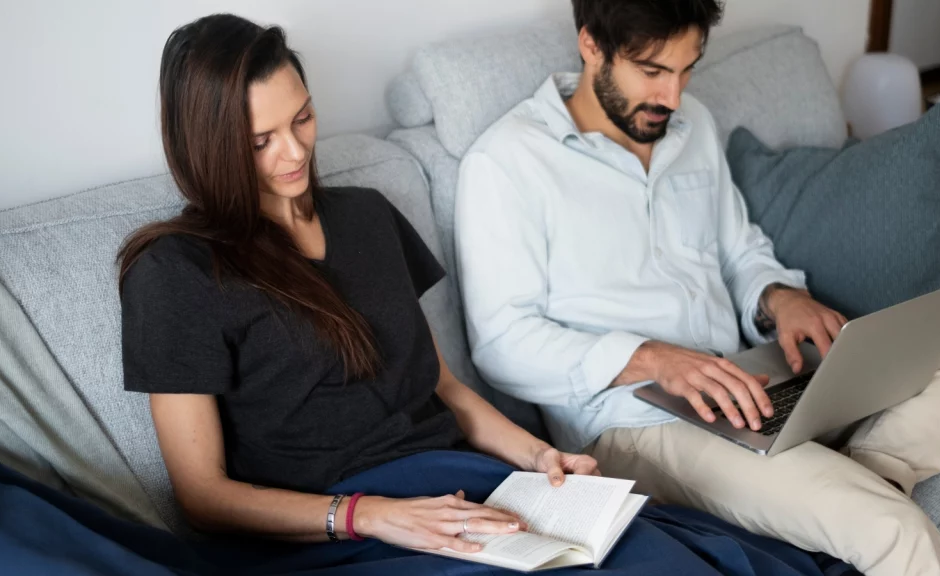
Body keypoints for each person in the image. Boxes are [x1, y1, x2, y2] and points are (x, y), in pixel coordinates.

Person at [116, 12, 857, 576]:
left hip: (466, 486)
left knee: (723, 557)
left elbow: (442, 385)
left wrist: (540, 458)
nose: (295, 151)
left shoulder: (366, 216)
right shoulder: (176, 272)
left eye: (302, 117)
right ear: (207, 146)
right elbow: (203, 497)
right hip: (342, 527)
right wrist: (370, 517)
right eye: (260, 140)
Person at [454, 1, 940, 575]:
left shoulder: (694, 128)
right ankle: (854, 499)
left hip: (749, 379)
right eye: (653, 71)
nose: (673, 97)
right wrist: (651, 360)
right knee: (897, 533)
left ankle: (868, 471)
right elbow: (501, 346)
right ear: (591, 45)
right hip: (635, 423)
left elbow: (739, 251)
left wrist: (779, 296)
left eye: (687, 70)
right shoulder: (507, 162)